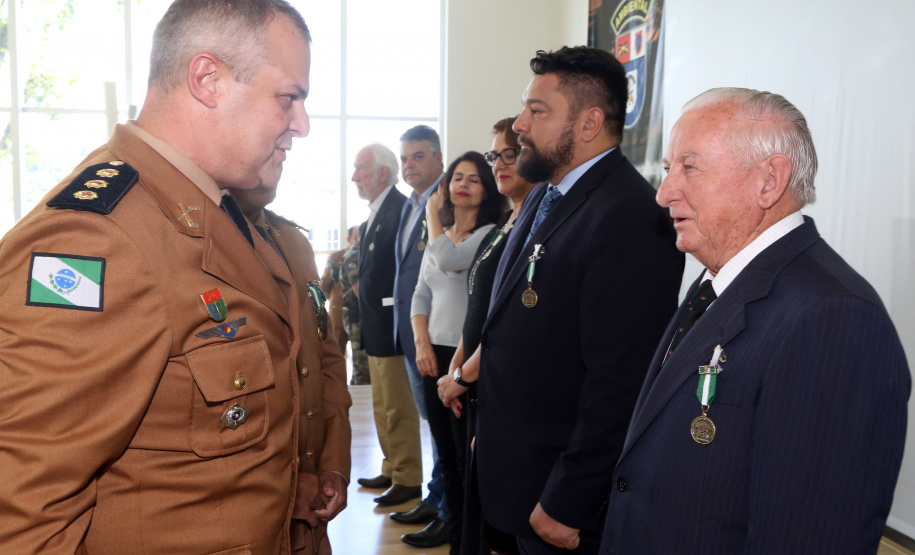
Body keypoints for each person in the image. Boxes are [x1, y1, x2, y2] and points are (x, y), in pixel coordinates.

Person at [0, 1, 319, 552]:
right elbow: (24, 510)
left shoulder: (216, 213)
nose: (303, 125)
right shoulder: (94, 239)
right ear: (208, 79)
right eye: (287, 97)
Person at [600, 88, 911, 554]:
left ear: (769, 181)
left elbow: (810, 538)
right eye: (667, 170)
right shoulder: (715, 285)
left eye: (690, 167)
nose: (664, 193)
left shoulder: (834, 319)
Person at [475, 46, 684, 554]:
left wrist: (572, 498)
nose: (520, 124)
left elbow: (620, 381)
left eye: (537, 111)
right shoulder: (549, 196)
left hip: (561, 496)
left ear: (589, 123)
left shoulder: (629, 216)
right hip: (524, 473)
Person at [230, 185, 353, 555]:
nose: (296, 129)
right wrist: (283, 485)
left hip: (311, 511)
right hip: (242, 521)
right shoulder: (189, 240)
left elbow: (325, 359)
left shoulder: (292, 241)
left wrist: (333, 467)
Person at [436, 116, 536, 555]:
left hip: (495, 384)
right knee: (467, 482)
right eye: (494, 155)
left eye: (508, 155)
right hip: (474, 378)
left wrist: (464, 375)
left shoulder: (536, 228)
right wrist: (457, 369)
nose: (499, 164)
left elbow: (511, 323)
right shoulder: (503, 229)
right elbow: (477, 312)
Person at [409, 151, 502, 552]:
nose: (462, 185)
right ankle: (451, 532)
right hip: (433, 352)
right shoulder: (442, 234)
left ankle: (467, 539)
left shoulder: (489, 235)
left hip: (465, 358)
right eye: (457, 178)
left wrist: (432, 215)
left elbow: (447, 260)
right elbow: (419, 292)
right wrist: (421, 342)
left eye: (474, 179)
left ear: (487, 189)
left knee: (465, 461)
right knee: (444, 455)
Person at [350, 143, 425, 506]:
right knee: (382, 405)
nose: (355, 177)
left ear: (382, 173)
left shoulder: (399, 210)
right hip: (376, 326)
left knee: (398, 407)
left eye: (361, 169)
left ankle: (408, 477)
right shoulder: (377, 213)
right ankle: (392, 467)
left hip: (393, 327)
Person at [391, 124, 451, 547]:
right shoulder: (413, 204)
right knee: (431, 425)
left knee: (443, 428)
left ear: (437, 159)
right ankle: (435, 498)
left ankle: (447, 510)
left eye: (417, 157)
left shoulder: (446, 203)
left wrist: (425, 335)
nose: (408, 166)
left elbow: (440, 276)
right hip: (413, 332)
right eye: (404, 158)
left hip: (438, 336)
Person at [339, 225, 371, 385]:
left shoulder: (364, 252)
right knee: (362, 365)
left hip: (364, 312)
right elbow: (359, 290)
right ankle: (358, 405)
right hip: (357, 314)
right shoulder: (354, 254)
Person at [322, 226, 358, 360]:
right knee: (336, 353)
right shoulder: (336, 258)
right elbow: (325, 284)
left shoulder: (365, 255)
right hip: (339, 312)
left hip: (358, 315)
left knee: (360, 359)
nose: (359, 241)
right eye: (356, 238)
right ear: (348, 239)